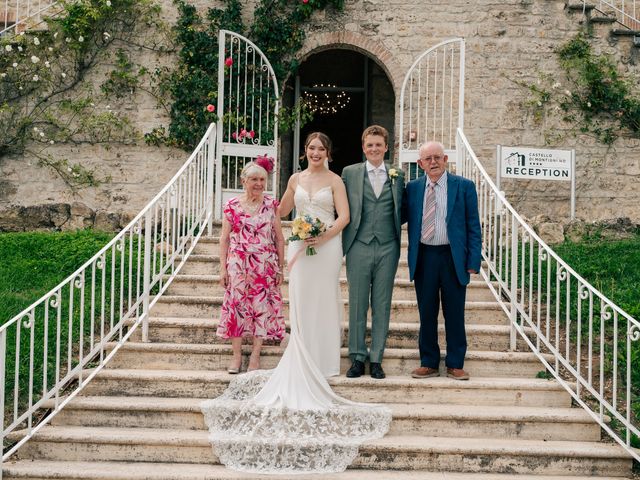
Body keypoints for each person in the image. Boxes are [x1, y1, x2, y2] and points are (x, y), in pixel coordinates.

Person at [201, 133, 391, 475]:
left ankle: (324, 359)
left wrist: (323, 235)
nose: (315, 153)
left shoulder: (335, 180)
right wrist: (267, 190)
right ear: (305, 152)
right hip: (301, 246)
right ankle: (301, 354)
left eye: (320, 148)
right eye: (311, 148)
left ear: (328, 153)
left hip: (327, 246)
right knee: (301, 301)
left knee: (324, 300)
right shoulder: (295, 178)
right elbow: (283, 209)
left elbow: (344, 217)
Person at [402, 141, 482, 381]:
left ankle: (455, 363)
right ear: (420, 164)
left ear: (446, 159)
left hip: (452, 257)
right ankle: (429, 362)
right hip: (424, 256)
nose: (433, 162)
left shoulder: (464, 187)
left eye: (438, 157)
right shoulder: (413, 188)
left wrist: (473, 260)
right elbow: (398, 216)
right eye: (428, 159)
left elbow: (473, 226)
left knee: (454, 312)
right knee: (427, 312)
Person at [341, 125, 405, 379]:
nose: (374, 149)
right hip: (359, 244)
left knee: (382, 303)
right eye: (370, 145)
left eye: (379, 145)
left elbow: (403, 208)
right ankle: (357, 357)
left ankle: (376, 357)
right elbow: (339, 205)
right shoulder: (350, 173)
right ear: (363, 147)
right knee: (357, 303)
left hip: (388, 245)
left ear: (386, 147)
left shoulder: (398, 175)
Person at [216, 159, 285, 374]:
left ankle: (255, 355)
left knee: (260, 309)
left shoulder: (272, 205)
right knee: (236, 308)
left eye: (262, 179)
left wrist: (280, 268)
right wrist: (222, 268)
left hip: (265, 265)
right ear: (243, 181)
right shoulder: (232, 205)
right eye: (254, 179)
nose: (259, 183)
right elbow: (224, 239)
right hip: (238, 265)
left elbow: (280, 239)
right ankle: (236, 356)